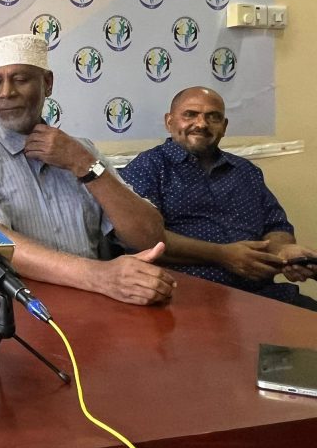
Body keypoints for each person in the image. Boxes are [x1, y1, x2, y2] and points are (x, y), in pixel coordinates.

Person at [0, 33, 174, 306]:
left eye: (20, 79)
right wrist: (101, 276)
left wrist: (83, 164)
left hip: (96, 304)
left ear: (48, 83)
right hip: (17, 309)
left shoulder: (82, 150)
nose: (6, 92)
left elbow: (148, 236)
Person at [122, 86, 317, 310]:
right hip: (186, 301)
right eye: (190, 115)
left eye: (213, 117)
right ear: (169, 121)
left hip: (263, 296)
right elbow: (143, 239)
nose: (201, 124)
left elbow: (276, 225)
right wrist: (222, 255)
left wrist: (282, 251)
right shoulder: (148, 168)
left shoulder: (246, 171)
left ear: (224, 127)